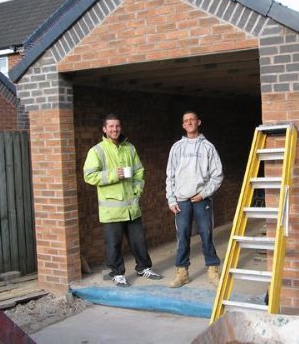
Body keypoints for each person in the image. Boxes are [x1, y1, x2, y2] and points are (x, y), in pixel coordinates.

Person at [84, 113, 162, 287]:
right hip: (111, 210)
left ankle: (143, 268)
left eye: (117, 126)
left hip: (131, 206)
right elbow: (89, 176)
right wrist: (112, 175)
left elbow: (139, 171)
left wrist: (137, 191)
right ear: (104, 129)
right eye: (111, 126)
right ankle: (117, 273)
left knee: (139, 241)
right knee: (113, 245)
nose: (115, 129)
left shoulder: (130, 148)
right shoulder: (97, 151)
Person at [166, 111, 223, 288]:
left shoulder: (208, 147)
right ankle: (182, 273)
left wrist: (204, 194)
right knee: (182, 236)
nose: (189, 123)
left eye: (192, 120)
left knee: (206, 234)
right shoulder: (177, 147)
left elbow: (217, 175)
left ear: (198, 122)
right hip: (181, 200)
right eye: (186, 121)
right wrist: (171, 199)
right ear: (183, 125)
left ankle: (213, 271)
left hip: (201, 199)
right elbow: (170, 175)